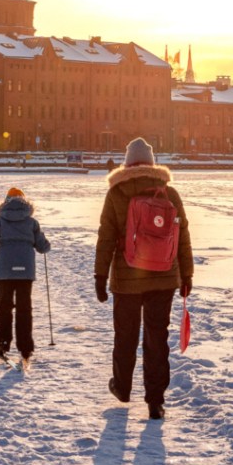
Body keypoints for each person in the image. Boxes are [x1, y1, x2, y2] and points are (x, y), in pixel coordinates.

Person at [94, 137, 193, 420]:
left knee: (125, 335)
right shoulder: (169, 193)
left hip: (126, 279)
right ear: (152, 162)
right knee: (156, 338)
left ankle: (122, 387)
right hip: (164, 276)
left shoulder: (117, 193)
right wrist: (186, 273)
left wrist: (100, 275)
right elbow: (182, 236)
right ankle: (155, 400)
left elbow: (106, 237)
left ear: (127, 163)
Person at [0, 187, 51, 363]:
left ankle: (3, 344)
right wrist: (44, 241)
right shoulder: (32, 222)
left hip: (5, 270)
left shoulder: (0, 221)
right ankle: (25, 348)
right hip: (26, 271)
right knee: (25, 308)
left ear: (6, 201)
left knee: (4, 307)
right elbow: (43, 247)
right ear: (25, 201)